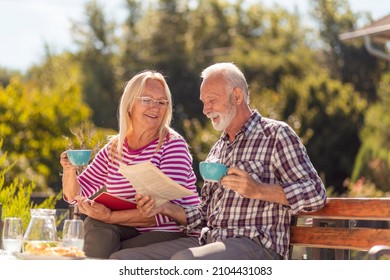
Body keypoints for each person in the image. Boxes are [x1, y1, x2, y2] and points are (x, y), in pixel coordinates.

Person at [110, 62, 327, 260]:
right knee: (122, 260)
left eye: (212, 100)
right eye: (204, 102)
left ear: (237, 96)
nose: (205, 110)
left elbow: (316, 194)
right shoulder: (219, 148)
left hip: (258, 247)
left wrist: (259, 190)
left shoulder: (276, 134)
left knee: (185, 263)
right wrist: (164, 207)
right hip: (210, 242)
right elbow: (204, 213)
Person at [60, 70, 200, 259]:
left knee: (111, 248)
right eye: (147, 100)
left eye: (161, 102)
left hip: (169, 231)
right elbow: (74, 194)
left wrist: (108, 216)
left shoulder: (172, 145)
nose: (155, 107)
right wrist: (69, 170)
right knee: (96, 225)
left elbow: (157, 213)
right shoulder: (115, 147)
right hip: (128, 228)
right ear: (130, 105)